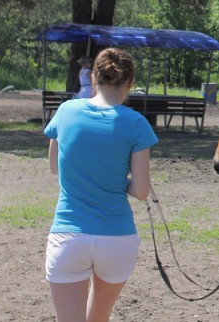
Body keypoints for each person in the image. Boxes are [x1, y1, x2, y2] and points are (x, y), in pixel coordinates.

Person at [44, 47, 158, 322]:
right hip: (117, 239)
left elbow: (53, 167)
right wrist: (122, 183)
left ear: (93, 77)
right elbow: (142, 191)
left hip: (69, 235)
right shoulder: (136, 124)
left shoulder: (66, 111)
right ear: (129, 84)